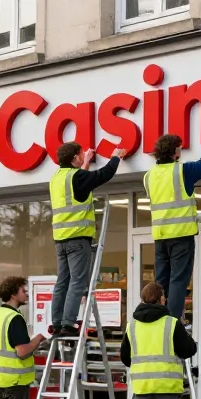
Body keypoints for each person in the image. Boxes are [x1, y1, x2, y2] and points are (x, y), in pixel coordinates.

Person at [143, 128, 201, 321]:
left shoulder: (148, 176)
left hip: (160, 237)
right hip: (181, 235)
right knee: (178, 280)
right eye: (180, 149)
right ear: (175, 152)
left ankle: (157, 317)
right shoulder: (182, 171)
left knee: (161, 282)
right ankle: (172, 320)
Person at [50, 142, 125, 337]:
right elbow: (103, 175)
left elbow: (77, 186)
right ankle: (68, 323)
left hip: (60, 240)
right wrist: (116, 157)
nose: (83, 155)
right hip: (77, 238)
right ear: (74, 158)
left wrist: (87, 163)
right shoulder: (77, 177)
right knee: (77, 281)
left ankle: (57, 323)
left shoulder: (57, 178)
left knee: (62, 281)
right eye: (81, 154)